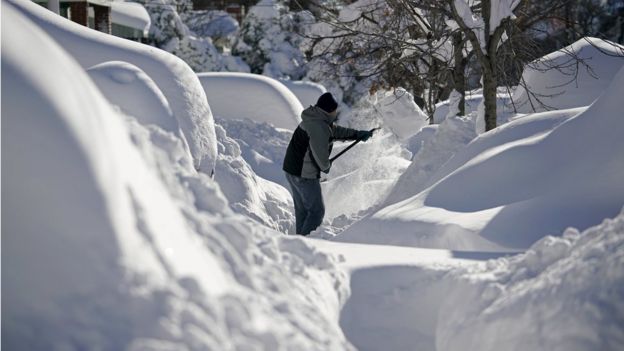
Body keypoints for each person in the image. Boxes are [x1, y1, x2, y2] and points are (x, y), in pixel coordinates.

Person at [282, 92, 374, 235]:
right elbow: (319, 153)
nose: (336, 112)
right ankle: (305, 243)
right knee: (316, 212)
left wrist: (357, 134)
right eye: (334, 109)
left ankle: (298, 241)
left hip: (292, 170)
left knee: (303, 211)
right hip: (303, 174)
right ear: (329, 110)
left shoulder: (315, 118)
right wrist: (325, 166)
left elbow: (334, 131)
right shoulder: (318, 126)